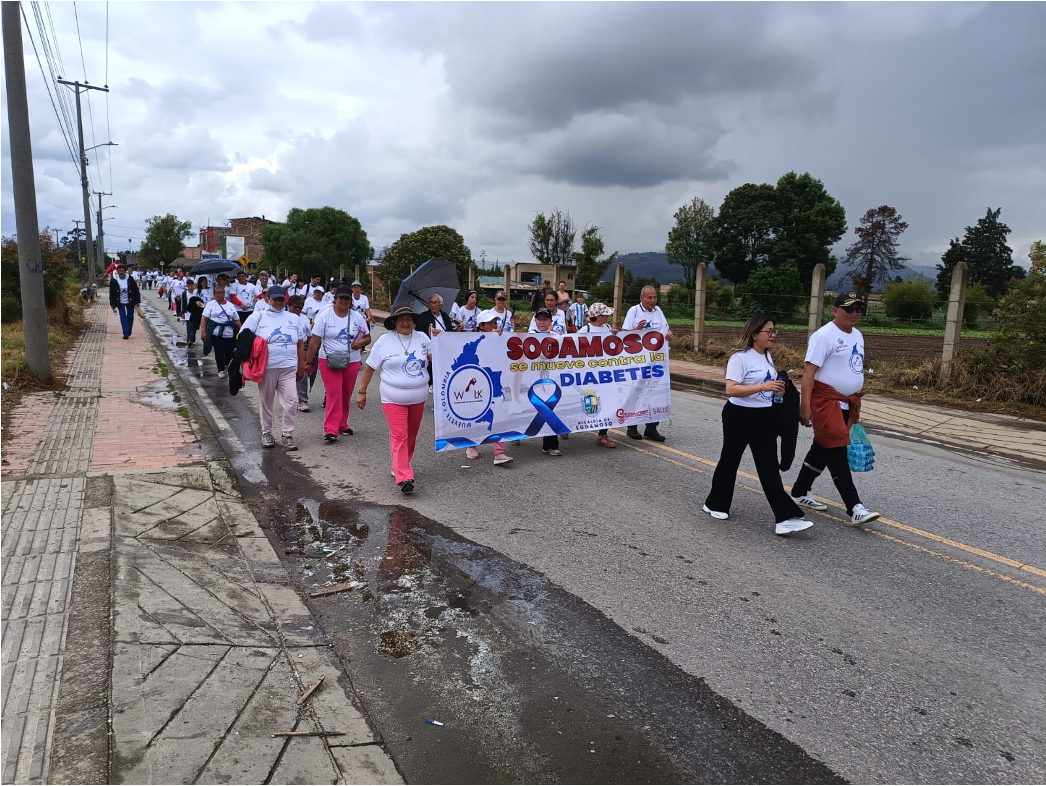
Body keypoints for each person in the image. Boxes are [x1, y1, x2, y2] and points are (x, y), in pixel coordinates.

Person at [702, 315, 814, 536]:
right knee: (730, 461)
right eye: (768, 331)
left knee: (768, 467)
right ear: (754, 334)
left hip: (764, 417)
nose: (772, 335)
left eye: (774, 331)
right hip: (739, 416)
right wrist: (763, 386)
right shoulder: (740, 358)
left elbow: (767, 387)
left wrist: (779, 391)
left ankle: (785, 517)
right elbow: (731, 390)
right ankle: (715, 504)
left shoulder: (767, 356)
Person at [789, 292, 881, 525]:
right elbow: (808, 372)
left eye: (859, 309)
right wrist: (805, 406)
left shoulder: (857, 335)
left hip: (847, 403)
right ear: (835, 310)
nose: (854, 313)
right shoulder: (824, 336)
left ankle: (799, 491)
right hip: (826, 403)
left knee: (822, 449)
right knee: (837, 452)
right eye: (849, 309)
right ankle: (855, 507)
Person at [356, 304, 431, 494]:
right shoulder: (384, 341)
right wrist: (362, 391)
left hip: (418, 397)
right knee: (399, 434)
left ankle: (400, 465)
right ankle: (404, 476)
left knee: (411, 434)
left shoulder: (423, 338)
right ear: (394, 322)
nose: (405, 322)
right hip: (392, 397)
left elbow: (437, 359)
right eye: (401, 319)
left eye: (409, 319)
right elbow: (370, 368)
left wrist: (439, 339)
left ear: (414, 322)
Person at [240, 286, 306, 450]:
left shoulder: (294, 318)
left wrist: (301, 366)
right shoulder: (258, 316)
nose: (279, 302)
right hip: (266, 368)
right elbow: (241, 336)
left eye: (281, 299)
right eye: (275, 299)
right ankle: (266, 433)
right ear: (267, 299)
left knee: (292, 401)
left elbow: (300, 344)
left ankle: (287, 434)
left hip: (288, 367)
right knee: (266, 401)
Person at [305, 284, 370, 441]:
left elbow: (368, 338)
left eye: (347, 298)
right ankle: (331, 429)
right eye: (341, 298)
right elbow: (314, 340)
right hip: (328, 360)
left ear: (351, 300)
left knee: (346, 394)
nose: (344, 301)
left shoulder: (357, 317)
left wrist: (360, 343)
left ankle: (342, 424)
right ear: (335, 298)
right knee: (334, 394)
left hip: (352, 360)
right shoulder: (325, 315)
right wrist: (308, 362)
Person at [621, 286, 673, 441]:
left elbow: (665, 330)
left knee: (654, 392)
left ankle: (651, 427)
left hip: (656, 360)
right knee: (636, 392)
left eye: (655, 297)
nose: (653, 300)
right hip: (638, 361)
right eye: (649, 297)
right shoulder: (634, 311)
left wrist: (669, 335)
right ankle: (632, 427)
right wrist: (637, 329)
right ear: (641, 298)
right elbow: (624, 336)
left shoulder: (658, 311)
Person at [464, 310, 514, 465]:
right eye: (490, 323)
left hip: (496, 381)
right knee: (477, 414)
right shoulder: (471, 341)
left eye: (495, 322)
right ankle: (471, 444)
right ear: (481, 325)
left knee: (498, 414)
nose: (494, 326)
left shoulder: (499, 338)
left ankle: (499, 453)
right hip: (478, 382)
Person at [577, 303, 617, 448]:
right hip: (588, 374)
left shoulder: (607, 328)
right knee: (587, 401)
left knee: (605, 400)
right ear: (599, 317)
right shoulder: (585, 331)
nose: (609, 316)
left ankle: (603, 434)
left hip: (604, 373)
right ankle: (570, 425)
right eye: (606, 314)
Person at [529, 308, 564, 456]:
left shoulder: (557, 337)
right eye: (539, 319)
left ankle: (551, 444)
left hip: (550, 377)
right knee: (529, 408)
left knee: (550, 406)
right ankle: (517, 436)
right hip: (532, 377)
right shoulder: (528, 337)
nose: (541, 322)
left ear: (551, 321)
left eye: (545, 319)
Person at [414, 294, 454, 391]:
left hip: (444, 347)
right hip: (430, 349)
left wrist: (458, 330)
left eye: (435, 302)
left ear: (441, 304)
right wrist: (429, 335)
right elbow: (418, 334)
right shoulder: (423, 317)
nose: (433, 305)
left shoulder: (445, 316)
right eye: (431, 302)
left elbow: (450, 331)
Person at [200, 286, 241, 378]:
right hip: (216, 333)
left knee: (229, 352)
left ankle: (226, 364)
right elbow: (204, 318)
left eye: (221, 293)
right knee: (219, 351)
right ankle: (221, 370)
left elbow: (236, 319)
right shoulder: (211, 304)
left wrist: (242, 330)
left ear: (224, 294)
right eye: (217, 293)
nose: (220, 295)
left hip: (229, 333)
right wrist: (203, 331)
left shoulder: (230, 305)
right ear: (214, 295)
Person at [287, 295, 316, 410]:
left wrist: (310, 353)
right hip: (287, 346)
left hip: (302, 346)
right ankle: (290, 399)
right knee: (287, 374)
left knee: (302, 372)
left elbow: (309, 336)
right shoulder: (283, 317)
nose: (297, 310)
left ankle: (303, 400)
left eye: (300, 308)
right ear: (289, 306)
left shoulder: (304, 318)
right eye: (295, 307)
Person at [109, 262, 141, 339]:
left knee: (130, 317)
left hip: (130, 301)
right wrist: (112, 303)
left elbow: (136, 290)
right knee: (123, 317)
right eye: (119, 271)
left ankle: (129, 330)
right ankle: (126, 333)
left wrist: (137, 301)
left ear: (125, 271)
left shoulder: (130, 279)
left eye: (122, 270)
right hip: (120, 302)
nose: (121, 272)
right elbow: (112, 292)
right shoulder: (114, 280)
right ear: (117, 271)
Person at [180, 281, 204, 346]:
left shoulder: (196, 293)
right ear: (187, 286)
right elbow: (183, 303)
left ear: (194, 285)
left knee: (194, 326)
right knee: (189, 326)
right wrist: (183, 312)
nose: (190, 287)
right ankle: (189, 339)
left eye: (191, 285)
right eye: (189, 285)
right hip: (187, 312)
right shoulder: (184, 293)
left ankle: (192, 339)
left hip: (195, 312)